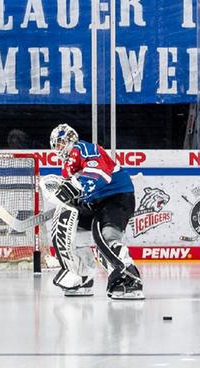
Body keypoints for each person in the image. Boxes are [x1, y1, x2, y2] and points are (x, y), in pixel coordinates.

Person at [47, 123, 142, 300]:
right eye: (55, 144)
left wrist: (75, 187)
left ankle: (129, 277)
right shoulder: (66, 166)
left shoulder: (83, 148)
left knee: (106, 236)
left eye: (60, 142)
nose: (58, 147)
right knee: (73, 231)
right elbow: (77, 194)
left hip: (116, 196)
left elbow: (99, 172)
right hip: (96, 202)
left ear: (70, 139)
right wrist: (71, 200)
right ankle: (83, 277)